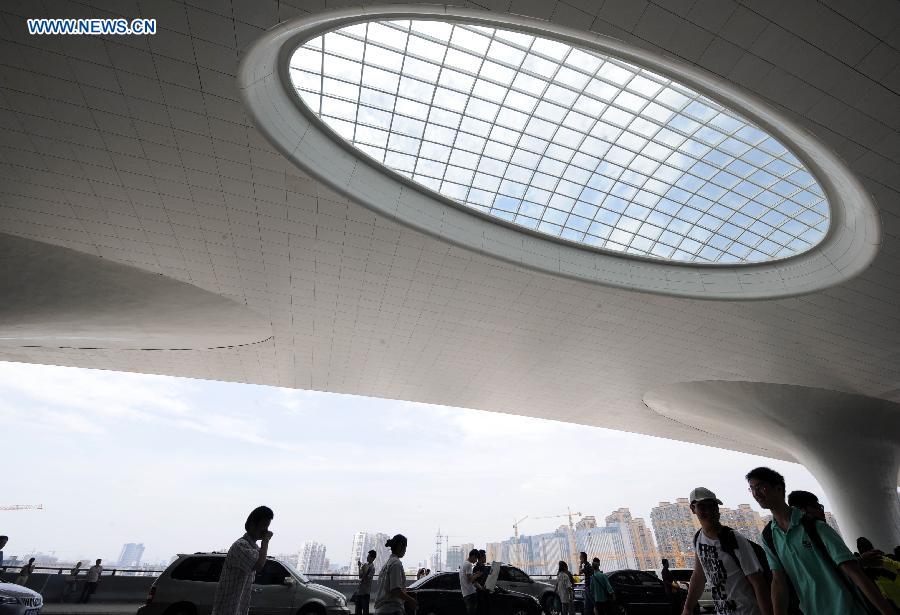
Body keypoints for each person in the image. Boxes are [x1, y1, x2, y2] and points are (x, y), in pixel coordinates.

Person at [746, 466, 894, 615]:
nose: (755, 494)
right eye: (751, 489)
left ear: (778, 489)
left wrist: (887, 612)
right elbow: (778, 582)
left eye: (760, 487)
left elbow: (855, 573)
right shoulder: (768, 537)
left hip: (846, 609)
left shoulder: (815, 527)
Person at [681, 487, 772, 615]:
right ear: (693, 509)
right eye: (702, 506)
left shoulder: (734, 539)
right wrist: (688, 608)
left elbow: (758, 582)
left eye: (712, 506)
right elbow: (699, 575)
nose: (709, 511)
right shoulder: (698, 539)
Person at [211, 506, 274, 615]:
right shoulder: (241, 546)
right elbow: (259, 565)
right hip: (228, 608)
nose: (266, 531)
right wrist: (266, 541)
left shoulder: (253, 547)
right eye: (264, 526)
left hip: (237, 607)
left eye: (267, 526)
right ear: (252, 525)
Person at [374, 534, 416, 615]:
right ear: (400, 546)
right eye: (405, 547)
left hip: (381, 609)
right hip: (392, 610)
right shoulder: (396, 563)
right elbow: (395, 590)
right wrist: (411, 600)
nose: (405, 550)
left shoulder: (387, 564)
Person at [355, 550, 377, 615]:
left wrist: (365, 570)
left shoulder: (372, 568)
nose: (367, 558)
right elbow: (360, 576)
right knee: (358, 611)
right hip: (360, 591)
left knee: (365, 611)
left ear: (373, 558)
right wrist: (359, 567)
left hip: (365, 592)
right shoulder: (365, 565)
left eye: (369, 556)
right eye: (367, 556)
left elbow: (366, 579)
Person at [460, 548, 480, 615]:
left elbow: (467, 577)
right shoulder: (469, 564)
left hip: (465, 593)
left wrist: (474, 574)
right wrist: (477, 575)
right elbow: (470, 580)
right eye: (476, 558)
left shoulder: (463, 563)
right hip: (470, 593)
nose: (476, 560)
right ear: (473, 556)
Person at [473, 550, 489, 615]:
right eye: (485, 557)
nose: (485, 558)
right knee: (480, 611)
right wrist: (481, 588)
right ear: (481, 558)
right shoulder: (476, 568)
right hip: (480, 594)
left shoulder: (485, 567)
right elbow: (474, 582)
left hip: (486, 592)